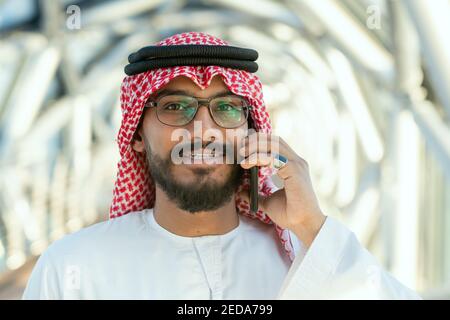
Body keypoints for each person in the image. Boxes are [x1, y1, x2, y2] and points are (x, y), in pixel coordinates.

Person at [22, 32, 420, 299]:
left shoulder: (312, 255)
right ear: (137, 135)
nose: (202, 130)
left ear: (252, 130)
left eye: (227, 108)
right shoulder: (73, 267)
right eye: (175, 107)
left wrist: (310, 226)